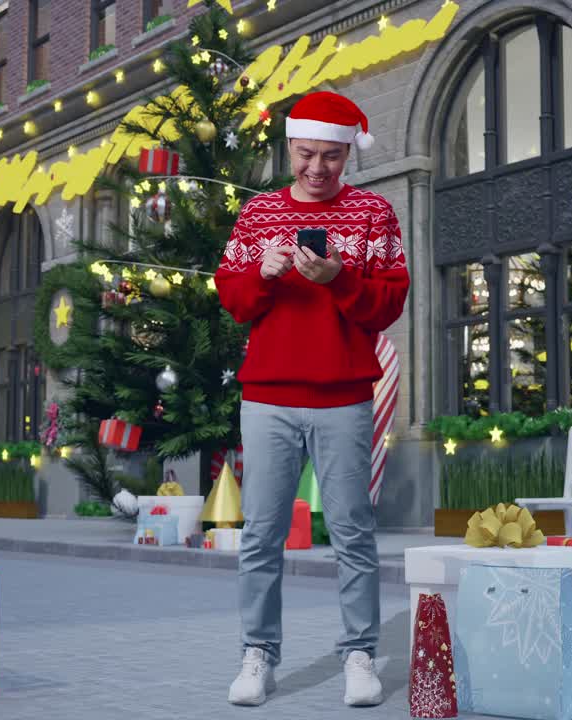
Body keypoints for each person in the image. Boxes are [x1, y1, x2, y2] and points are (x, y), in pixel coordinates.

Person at [215, 91, 410, 708]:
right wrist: (263, 275)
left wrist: (340, 277)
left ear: (349, 152)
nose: (317, 168)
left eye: (330, 155)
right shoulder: (258, 215)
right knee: (262, 533)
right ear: (289, 148)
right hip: (267, 394)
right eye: (305, 155)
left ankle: (360, 654)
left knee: (353, 531)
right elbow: (233, 298)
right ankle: (258, 656)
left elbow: (391, 302)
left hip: (344, 394)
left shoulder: (375, 215)